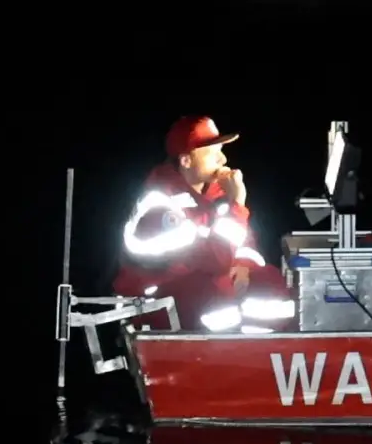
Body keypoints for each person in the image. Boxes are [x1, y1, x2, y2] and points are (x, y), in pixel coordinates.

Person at [113, 115, 294, 332]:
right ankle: (217, 358)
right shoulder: (160, 204)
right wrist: (237, 204)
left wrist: (244, 265)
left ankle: (261, 355)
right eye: (213, 153)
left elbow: (245, 242)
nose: (223, 160)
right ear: (186, 161)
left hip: (194, 293)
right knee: (219, 290)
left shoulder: (216, 195)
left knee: (269, 280)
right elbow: (213, 261)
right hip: (154, 305)